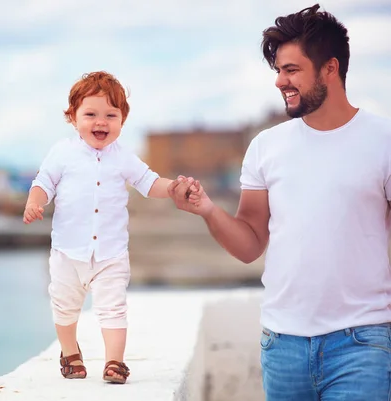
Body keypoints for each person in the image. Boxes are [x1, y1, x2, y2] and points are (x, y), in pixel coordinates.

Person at [168, 4, 391, 400]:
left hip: (363, 344)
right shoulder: (266, 147)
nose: (280, 82)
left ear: (330, 68)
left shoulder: (382, 140)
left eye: (291, 70)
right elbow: (251, 242)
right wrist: (208, 210)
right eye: (278, 71)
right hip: (282, 346)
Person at [23, 71, 195, 384]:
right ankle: (69, 352)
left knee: (114, 308)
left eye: (110, 115)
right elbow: (43, 182)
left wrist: (173, 188)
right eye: (90, 114)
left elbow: (148, 182)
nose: (100, 122)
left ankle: (114, 362)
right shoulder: (62, 153)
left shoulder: (124, 158)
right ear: (73, 118)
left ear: (122, 120)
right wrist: (35, 202)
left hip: (111, 252)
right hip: (67, 251)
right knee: (64, 306)